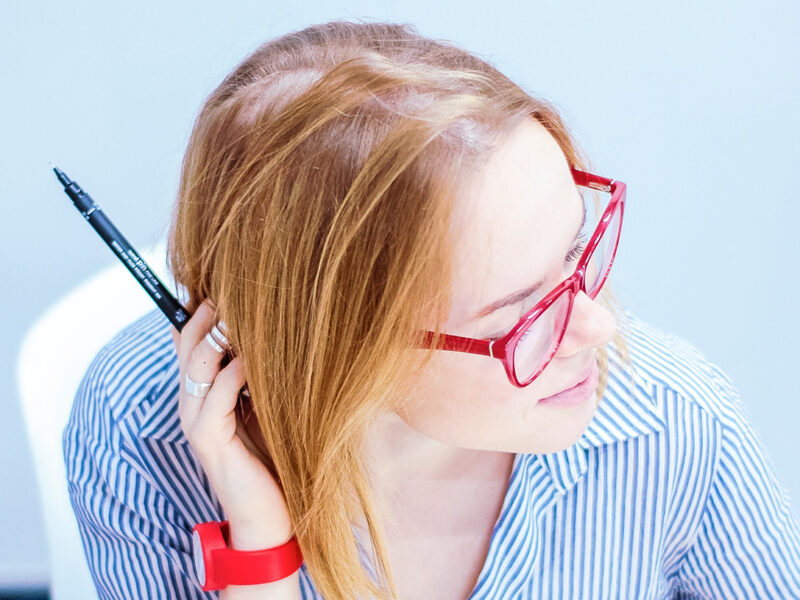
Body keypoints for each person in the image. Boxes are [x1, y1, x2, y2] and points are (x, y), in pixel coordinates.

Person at [63, 19, 800, 600]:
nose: (598, 327)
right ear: (346, 345)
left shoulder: (674, 420)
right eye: (519, 314)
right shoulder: (144, 431)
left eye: (577, 252)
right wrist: (258, 551)